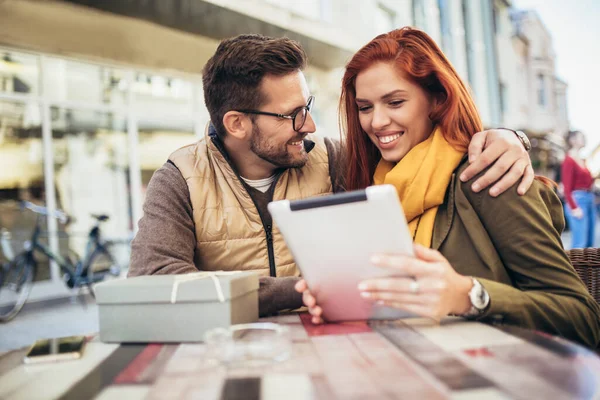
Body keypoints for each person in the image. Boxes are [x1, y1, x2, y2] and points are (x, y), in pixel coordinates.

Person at [128, 34, 534, 318]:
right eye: (292, 115)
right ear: (236, 123)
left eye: (308, 105)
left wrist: (508, 137)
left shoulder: (334, 157)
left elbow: (422, 137)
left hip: (339, 346)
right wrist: (295, 291)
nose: (309, 126)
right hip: (235, 358)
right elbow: (155, 282)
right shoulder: (179, 178)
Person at [296, 28, 600, 348]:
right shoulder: (372, 191)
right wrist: (340, 302)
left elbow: (584, 319)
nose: (377, 121)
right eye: (365, 107)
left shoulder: (490, 175)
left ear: (437, 100)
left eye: (395, 102)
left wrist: (470, 296)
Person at [562, 130, 597, 248]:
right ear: (572, 140)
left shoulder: (583, 160)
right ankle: (574, 267)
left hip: (589, 199)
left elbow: (588, 182)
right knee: (579, 244)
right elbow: (567, 187)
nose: (584, 139)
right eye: (581, 137)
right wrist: (574, 207)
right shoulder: (569, 160)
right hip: (578, 201)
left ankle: (587, 267)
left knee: (589, 243)